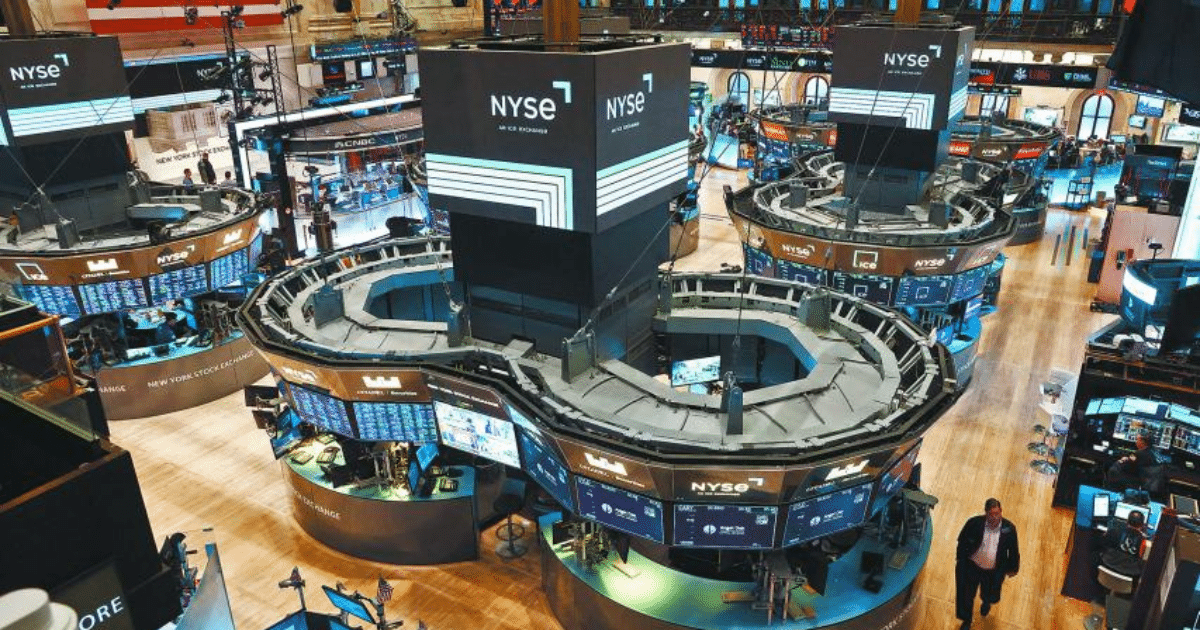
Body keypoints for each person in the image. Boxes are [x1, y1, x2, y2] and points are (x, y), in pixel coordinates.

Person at [956, 498, 1020, 629]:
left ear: (1001, 511)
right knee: (966, 595)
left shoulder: (1009, 529)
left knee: (989, 593)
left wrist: (1013, 568)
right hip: (972, 567)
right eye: (991, 514)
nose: (995, 517)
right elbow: (962, 541)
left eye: (997, 513)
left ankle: (986, 602)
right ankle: (967, 620)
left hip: (993, 571)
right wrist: (960, 559)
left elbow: (1013, 550)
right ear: (986, 513)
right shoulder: (973, 523)